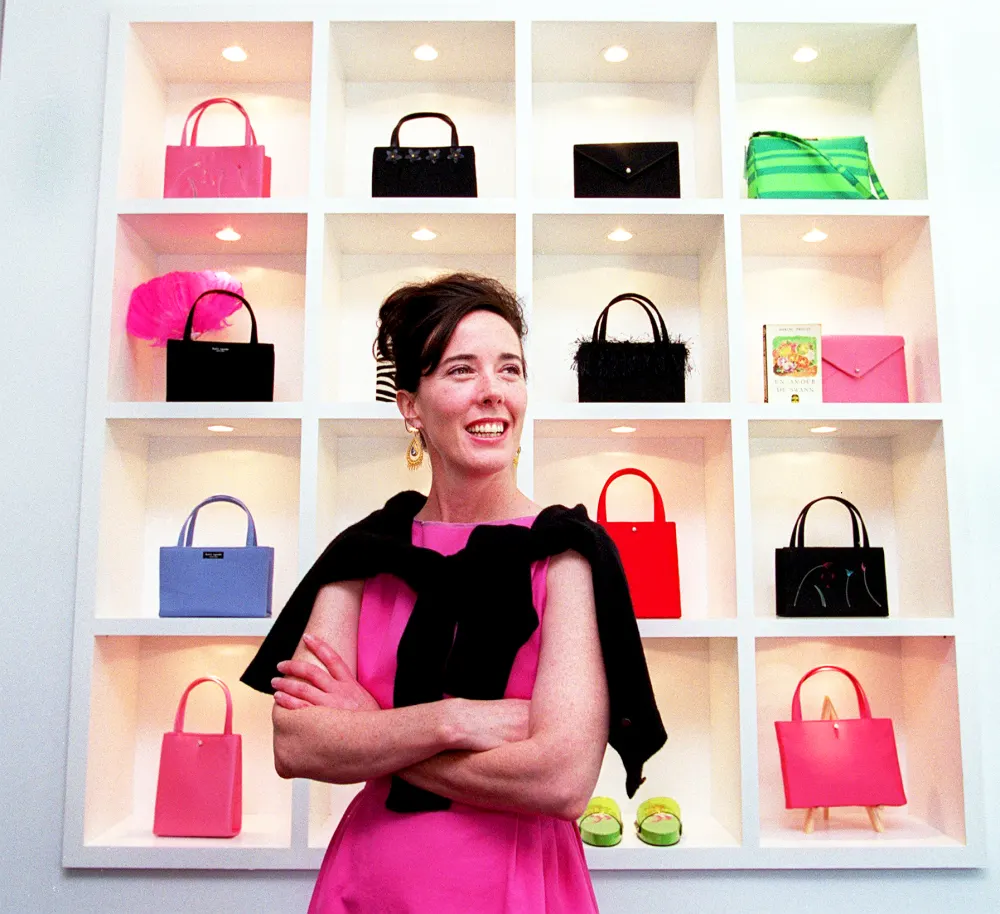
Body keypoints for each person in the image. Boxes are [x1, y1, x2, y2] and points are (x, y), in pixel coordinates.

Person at [241, 273, 665, 913]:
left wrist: (373, 731)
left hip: (517, 888)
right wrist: (453, 720)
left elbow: (562, 781)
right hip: (371, 885)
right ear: (411, 405)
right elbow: (297, 744)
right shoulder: (365, 551)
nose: (493, 391)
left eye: (510, 369)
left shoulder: (567, 554)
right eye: (461, 370)